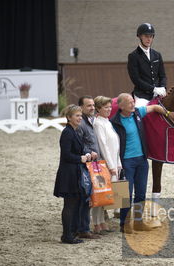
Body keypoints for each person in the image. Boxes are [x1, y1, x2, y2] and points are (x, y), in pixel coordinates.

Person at [110, 93, 174, 233]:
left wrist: (167, 113)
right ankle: (124, 224)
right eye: (129, 102)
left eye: (133, 101)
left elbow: (154, 107)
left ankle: (138, 222)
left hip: (142, 159)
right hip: (126, 162)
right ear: (121, 105)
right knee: (126, 195)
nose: (133, 104)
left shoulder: (137, 112)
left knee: (141, 193)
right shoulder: (114, 122)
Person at [54, 104, 91, 244]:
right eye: (77, 115)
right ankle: (67, 235)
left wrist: (86, 154)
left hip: (74, 172)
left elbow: (75, 151)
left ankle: (71, 232)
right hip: (68, 174)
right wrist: (80, 158)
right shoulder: (67, 132)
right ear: (69, 117)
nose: (80, 118)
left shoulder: (75, 131)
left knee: (74, 203)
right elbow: (66, 155)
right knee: (69, 205)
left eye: (81, 115)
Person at [92, 96, 121, 234]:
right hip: (104, 164)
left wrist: (118, 162)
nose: (109, 109)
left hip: (114, 163)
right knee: (100, 195)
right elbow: (103, 146)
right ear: (98, 108)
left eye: (110, 107)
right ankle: (96, 224)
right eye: (105, 107)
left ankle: (102, 222)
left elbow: (115, 144)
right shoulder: (98, 123)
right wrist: (110, 165)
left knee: (106, 196)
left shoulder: (107, 122)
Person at [75, 96, 101, 239]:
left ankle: (84, 227)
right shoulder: (81, 123)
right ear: (81, 107)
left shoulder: (91, 120)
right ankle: (83, 229)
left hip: (93, 162)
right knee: (85, 197)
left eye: (93, 105)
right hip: (85, 164)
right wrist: (88, 152)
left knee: (89, 196)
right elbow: (78, 143)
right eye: (88, 106)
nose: (92, 108)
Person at [127, 23, 167, 107]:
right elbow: (136, 79)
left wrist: (163, 87)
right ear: (140, 36)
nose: (149, 39)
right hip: (142, 96)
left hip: (158, 94)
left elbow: (162, 75)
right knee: (139, 110)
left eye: (151, 36)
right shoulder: (133, 56)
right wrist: (153, 89)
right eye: (146, 36)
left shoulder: (157, 55)